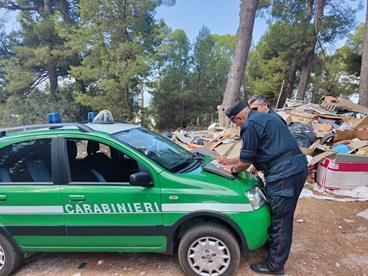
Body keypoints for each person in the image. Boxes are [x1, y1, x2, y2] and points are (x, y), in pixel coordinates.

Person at [222, 100, 308, 275]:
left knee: (281, 218)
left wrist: (230, 169)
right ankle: (273, 245)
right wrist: (229, 161)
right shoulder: (262, 118)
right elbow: (252, 153)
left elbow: (245, 162)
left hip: (284, 173)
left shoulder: (249, 125)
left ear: (239, 118)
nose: (237, 126)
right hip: (293, 167)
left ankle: (275, 265)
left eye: (235, 123)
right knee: (277, 213)